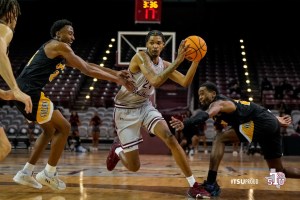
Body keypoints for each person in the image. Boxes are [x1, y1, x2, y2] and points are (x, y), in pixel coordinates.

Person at [13, 19, 134, 190]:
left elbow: (88, 64)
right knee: (64, 128)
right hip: (30, 93)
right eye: (69, 32)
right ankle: (48, 173)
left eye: (73, 33)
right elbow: (87, 70)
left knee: (49, 131)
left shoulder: (59, 51)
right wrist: (117, 80)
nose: (73, 37)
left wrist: (115, 72)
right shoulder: (59, 46)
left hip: (22, 91)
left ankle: (26, 172)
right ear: (58, 34)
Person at [105, 30, 210, 199]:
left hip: (145, 105)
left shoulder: (164, 63)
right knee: (134, 167)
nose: (155, 45)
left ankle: (193, 186)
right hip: (125, 110)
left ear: (163, 45)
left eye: (158, 43)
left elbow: (185, 81)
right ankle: (118, 151)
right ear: (146, 44)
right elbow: (155, 81)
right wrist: (178, 61)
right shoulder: (140, 57)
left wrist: (195, 61)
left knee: (170, 137)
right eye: (151, 42)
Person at [169, 81, 300, 197]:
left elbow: (205, 115)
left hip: (262, 122)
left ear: (213, 94)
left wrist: (185, 123)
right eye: (199, 95)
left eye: (203, 93)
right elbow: (253, 108)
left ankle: (210, 183)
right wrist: (275, 120)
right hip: (267, 122)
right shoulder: (229, 102)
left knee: (220, 138)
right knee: (278, 172)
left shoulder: (219, 103)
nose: (200, 97)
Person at [0, 0, 33, 161]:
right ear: (9, 14)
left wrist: (6, 94)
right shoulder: (4, 29)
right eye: (16, 16)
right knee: (3, 147)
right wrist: (15, 89)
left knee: (3, 146)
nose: (16, 21)